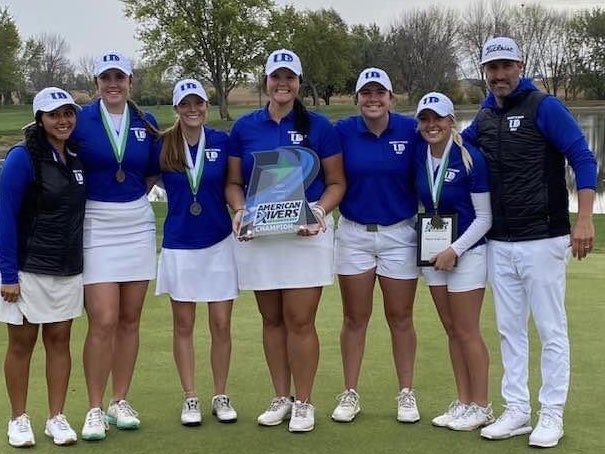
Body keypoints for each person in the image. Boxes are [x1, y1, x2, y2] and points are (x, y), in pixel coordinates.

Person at [463, 37, 597, 448]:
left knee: (551, 330)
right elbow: (457, 150)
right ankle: (517, 409)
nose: (499, 75)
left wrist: (585, 218)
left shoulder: (545, 106)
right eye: (492, 68)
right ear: (484, 71)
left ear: (520, 65)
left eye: (506, 66)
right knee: (509, 330)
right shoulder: (484, 115)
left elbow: (583, 158)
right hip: (500, 241)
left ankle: (551, 413)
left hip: (544, 236)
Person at [225, 48, 345, 433]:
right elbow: (233, 183)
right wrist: (240, 210)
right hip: (261, 233)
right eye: (276, 77)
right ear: (266, 81)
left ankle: (305, 402)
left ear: (298, 83)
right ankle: (281, 396)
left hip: (304, 232)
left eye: (289, 77)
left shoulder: (320, 126)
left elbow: (337, 183)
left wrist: (320, 212)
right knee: (271, 319)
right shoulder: (245, 127)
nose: (282, 83)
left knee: (299, 320)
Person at [70, 50, 161, 441]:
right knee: (103, 319)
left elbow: (153, 169)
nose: (113, 84)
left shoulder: (146, 120)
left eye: (119, 77)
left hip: (137, 223)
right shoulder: (80, 120)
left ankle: (119, 400)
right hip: (95, 223)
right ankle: (93, 406)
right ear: (96, 84)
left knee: (129, 319)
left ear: (130, 81)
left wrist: (133, 199)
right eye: (105, 78)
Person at [330, 68, 420, 424]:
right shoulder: (342, 132)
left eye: (379, 93)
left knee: (400, 317)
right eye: (365, 93)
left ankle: (406, 393)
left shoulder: (412, 131)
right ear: (356, 100)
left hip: (400, 234)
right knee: (355, 318)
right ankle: (350, 393)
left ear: (391, 97)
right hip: (354, 234)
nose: (373, 99)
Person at [0, 88, 86, 447]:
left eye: (68, 113)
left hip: (66, 266)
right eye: (54, 115)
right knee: (22, 344)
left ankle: (56, 417)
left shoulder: (76, 158)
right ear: (40, 120)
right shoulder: (23, 158)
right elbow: (4, 214)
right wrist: (7, 273)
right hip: (27, 267)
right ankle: (19, 419)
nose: (63, 120)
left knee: (59, 341)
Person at [155, 79, 239, 426]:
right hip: (179, 244)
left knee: (221, 324)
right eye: (186, 104)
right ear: (176, 108)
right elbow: (144, 181)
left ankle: (220, 394)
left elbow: (235, 185)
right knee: (184, 323)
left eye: (199, 103)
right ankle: (191, 397)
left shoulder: (221, 141)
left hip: (219, 241)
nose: (193, 109)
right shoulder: (163, 146)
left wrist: (239, 212)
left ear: (206, 105)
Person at [414, 92, 493, 431]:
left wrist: (455, 249)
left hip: (467, 253)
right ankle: (463, 402)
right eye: (425, 119)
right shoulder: (419, 158)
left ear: (451, 121)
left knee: (467, 330)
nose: (432, 125)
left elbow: (485, 217)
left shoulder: (469, 158)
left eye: (438, 118)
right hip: (433, 254)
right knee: (451, 329)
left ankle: (482, 405)